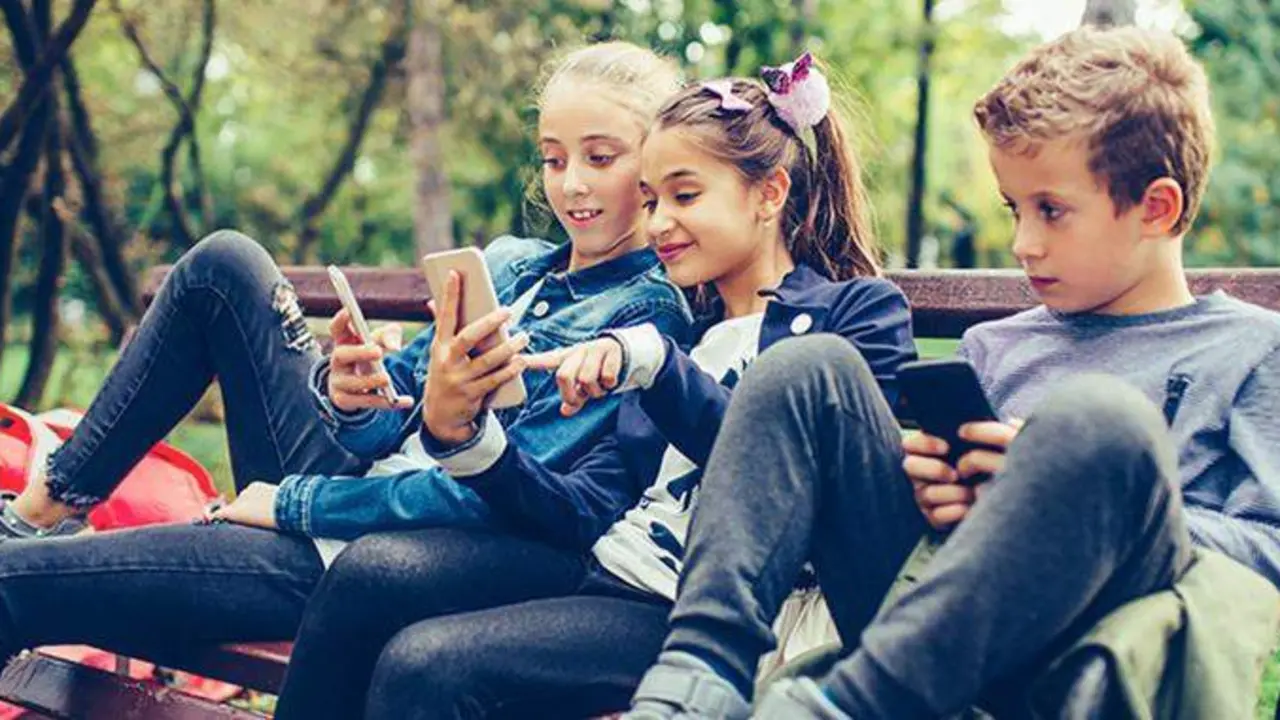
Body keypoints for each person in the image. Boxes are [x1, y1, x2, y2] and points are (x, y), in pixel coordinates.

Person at [624, 26, 1280, 719]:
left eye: (1051, 211)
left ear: (1157, 207)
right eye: (1014, 209)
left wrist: (1076, 495)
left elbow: (1268, 550)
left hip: (1095, 667)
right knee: (804, 366)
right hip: (933, 633)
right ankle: (694, 685)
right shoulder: (998, 346)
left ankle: (850, 704)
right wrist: (938, 488)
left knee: (1099, 423)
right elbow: (938, 533)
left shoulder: (1249, 348)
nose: (1023, 243)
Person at [0, 40, 691, 671]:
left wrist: (294, 504)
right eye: (553, 157)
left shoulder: (638, 324)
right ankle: (38, 508)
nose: (570, 184)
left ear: (656, 165)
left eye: (600, 158)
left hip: (361, 557)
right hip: (339, 495)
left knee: (11, 583)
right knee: (224, 265)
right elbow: (389, 419)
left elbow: (494, 502)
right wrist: (351, 387)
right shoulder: (512, 265)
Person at [272, 53, 918, 720]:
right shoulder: (677, 335)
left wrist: (655, 365)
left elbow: (807, 481)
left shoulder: (855, 315)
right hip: (612, 574)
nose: (660, 223)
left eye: (685, 196)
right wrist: (468, 438)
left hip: (695, 613)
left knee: (427, 665)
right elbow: (584, 508)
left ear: (769, 194)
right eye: (652, 199)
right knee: (389, 604)